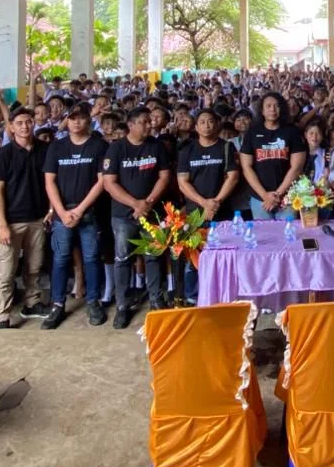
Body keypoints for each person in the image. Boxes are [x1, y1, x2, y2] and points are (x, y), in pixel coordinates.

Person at [102, 106, 172, 329]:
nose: (149, 125)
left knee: (154, 256)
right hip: (124, 215)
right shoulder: (116, 149)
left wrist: (148, 202)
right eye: (144, 122)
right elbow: (109, 182)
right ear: (131, 125)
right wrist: (135, 204)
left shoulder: (157, 146)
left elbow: (164, 176)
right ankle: (123, 305)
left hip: (153, 213)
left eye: (150, 121)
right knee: (123, 259)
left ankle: (156, 299)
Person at [43, 106, 110, 329]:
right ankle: (57, 304)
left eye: (81, 118)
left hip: (88, 212)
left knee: (91, 258)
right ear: (66, 121)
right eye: (72, 118)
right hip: (63, 213)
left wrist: (80, 210)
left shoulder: (99, 145)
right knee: (61, 258)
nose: (76, 122)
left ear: (88, 120)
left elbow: (102, 181)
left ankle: (93, 301)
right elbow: (50, 181)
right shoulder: (57, 147)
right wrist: (61, 212)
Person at [0, 108, 50, 328]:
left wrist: (50, 212)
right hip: (11, 221)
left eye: (29, 122)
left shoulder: (45, 150)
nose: (25, 126)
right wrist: (2, 224)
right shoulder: (2, 155)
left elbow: (51, 184)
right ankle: (2, 315)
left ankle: (32, 303)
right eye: (20, 123)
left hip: (37, 218)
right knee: (5, 271)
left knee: (34, 266)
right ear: (11, 127)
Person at [176, 110, 239, 303]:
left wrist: (216, 202)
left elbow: (233, 176)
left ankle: (222, 296)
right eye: (202, 122)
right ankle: (192, 297)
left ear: (217, 124)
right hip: (196, 213)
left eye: (211, 121)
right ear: (196, 127)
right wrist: (204, 203)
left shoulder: (226, 147)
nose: (207, 126)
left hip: (223, 210)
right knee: (194, 257)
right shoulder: (187, 150)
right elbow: (182, 182)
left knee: (223, 255)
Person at [238, 92, 305, 221]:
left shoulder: (292, 131)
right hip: (259, 197)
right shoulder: (252, 132)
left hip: (288, 196)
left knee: (288, 234)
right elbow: (246, 167)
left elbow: (297, 167)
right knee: (264, 237)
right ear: (262, 110)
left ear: (282, 109)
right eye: (268, 106)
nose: (272, 109)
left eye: (276, 106)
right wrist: (265, 195)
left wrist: (278, 194)